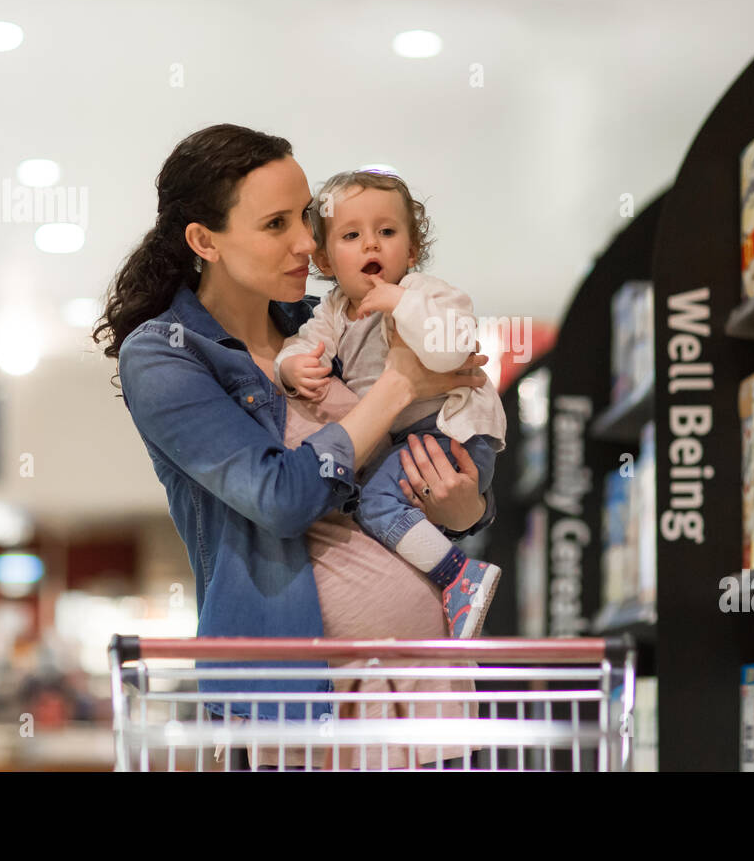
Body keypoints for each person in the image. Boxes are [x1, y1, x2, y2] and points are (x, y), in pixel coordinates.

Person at [94, 124, 494, 767]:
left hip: (426, 694)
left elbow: (423, 461)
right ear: (204, 240)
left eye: (306, 217)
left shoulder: (324, 322)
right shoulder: (168, 354)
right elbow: (279, 496)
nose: (310, 243)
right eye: (276, 224)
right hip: (303, 714)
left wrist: (465, 509)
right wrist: (397, 385)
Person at [276, 169, 505, 638]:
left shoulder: (428, 294)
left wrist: (400, 302)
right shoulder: (334, 310)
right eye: (352, 235)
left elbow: (447, 353)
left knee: (378, 505)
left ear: (413, 249)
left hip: (452, 430)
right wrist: (290, 368)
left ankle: (460, 577)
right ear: (324, 257)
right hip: (412, 440)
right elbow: (302, 344)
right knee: (379, 502)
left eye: (387, 232)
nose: (371, 246)